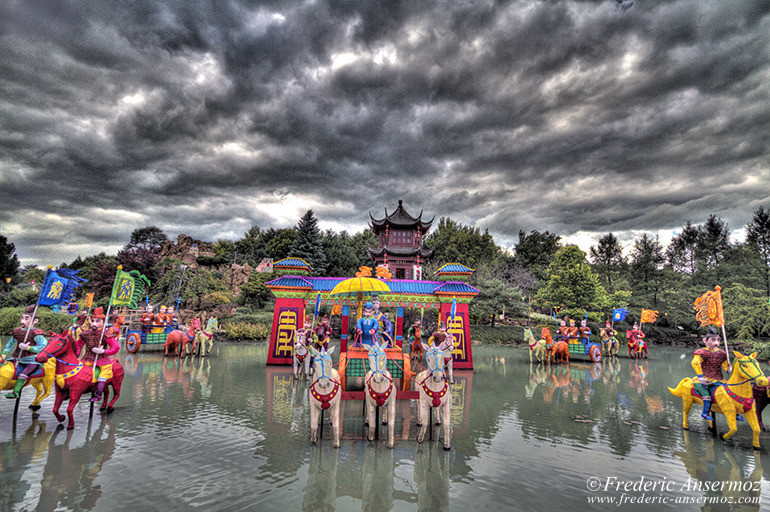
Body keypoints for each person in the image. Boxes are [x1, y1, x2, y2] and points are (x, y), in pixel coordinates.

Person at [76, 307, 123, 403]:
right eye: (92, 321)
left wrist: (103, 352)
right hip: (87, 359)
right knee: (76, 371)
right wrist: (76, 354)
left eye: (97, 321)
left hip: (102, 361)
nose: (94, 324)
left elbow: (116, 347)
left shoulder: (106, 334)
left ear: (103, 322)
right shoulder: (85, 333)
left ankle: (98, 396)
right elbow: (78, 345)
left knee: (102, 376)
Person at [2, 305, 48, 399]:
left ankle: (15, 392)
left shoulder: (36, 333)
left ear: (35, 321)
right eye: (22, 318)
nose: (23, 320)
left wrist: (29, 348)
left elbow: (43, 345)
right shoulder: (17, 331)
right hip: (16, 357)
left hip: (31, 360)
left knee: (23, 374)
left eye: (26, 318)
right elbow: (10, 344)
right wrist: (4, 354)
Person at [692, 327, 732, 422]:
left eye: (718, 340)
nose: (716, 343)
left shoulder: (722, 353)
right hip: (704, 379)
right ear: (705, 340)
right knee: (707, 396)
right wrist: (700, 376)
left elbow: (725, 364)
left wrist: (728, 369)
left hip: (719, 379)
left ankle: (734, 412)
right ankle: (705, 413)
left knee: (730, 393)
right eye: (713, 340)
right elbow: (695, 363)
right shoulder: (701, 352)